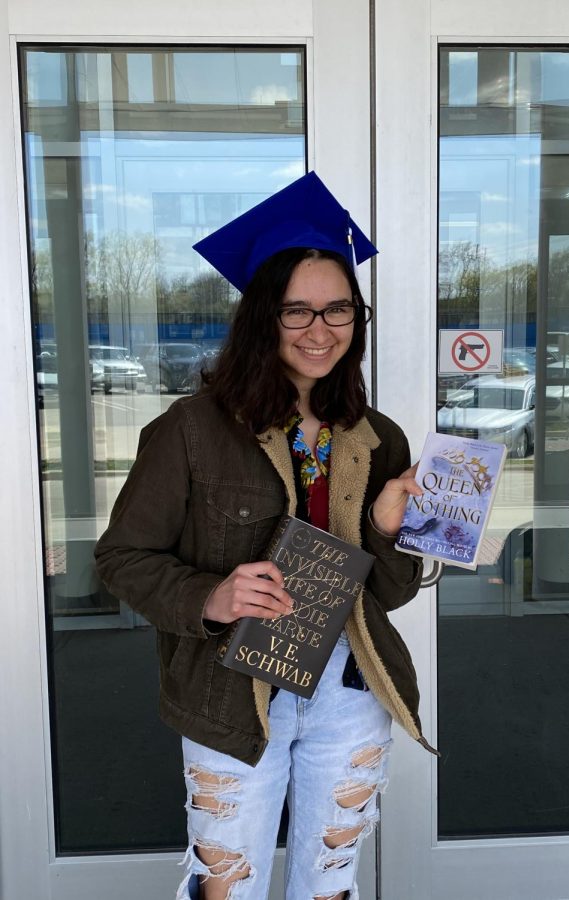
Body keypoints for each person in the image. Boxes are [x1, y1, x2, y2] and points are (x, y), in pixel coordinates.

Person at [95, 172, 434, 900]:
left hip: (350, 686)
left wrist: (383, 531)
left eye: (338, 309)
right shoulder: (190, 430)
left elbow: (393, 592)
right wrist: (211, 595)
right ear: (262, 319)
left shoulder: (378, 438)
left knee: (328, 879)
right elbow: (121, 559)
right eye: (297, 312)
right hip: (232, 692)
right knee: (228, 882)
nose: (321, 330)